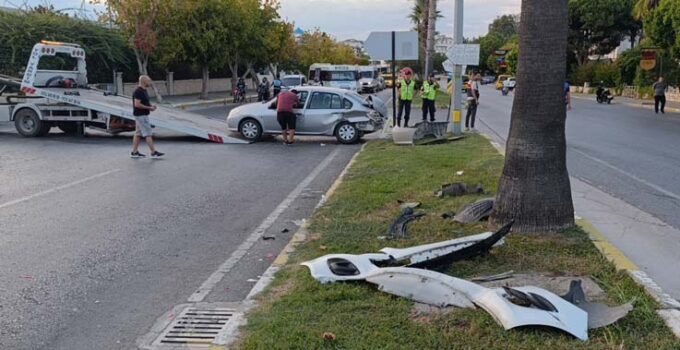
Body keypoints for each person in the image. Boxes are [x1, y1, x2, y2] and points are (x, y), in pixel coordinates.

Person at [131, 75, 164, 158]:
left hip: (142, 115)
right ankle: (153, 152)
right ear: (144, 81)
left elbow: (144, 102)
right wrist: (149, 107)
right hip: (141, 115)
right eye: (149, 81)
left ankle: (134, 152)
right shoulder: (138, 91)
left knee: (138, 133)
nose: (150, 82)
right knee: (148, 133)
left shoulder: (144, 90)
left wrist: (151, 106)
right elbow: (137, 104)